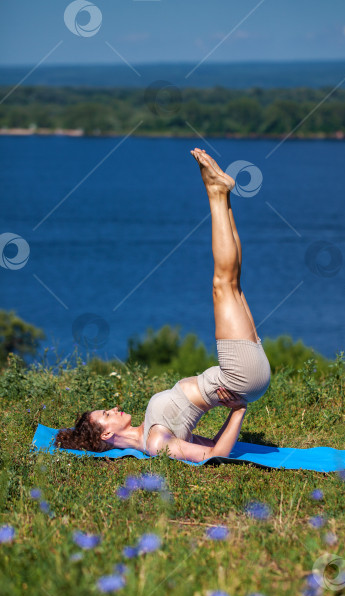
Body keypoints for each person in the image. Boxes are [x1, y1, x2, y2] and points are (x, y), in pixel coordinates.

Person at [55, 148, 270, 462]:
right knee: (224, 283)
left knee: (231, 283)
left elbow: (208, 442)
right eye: (106, 413)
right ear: (106, 434)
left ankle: (221, 195)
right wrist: (238, 411)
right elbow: (215, 455)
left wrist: (237, 408)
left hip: (241, 378)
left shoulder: (149, 431)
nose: (113, 408)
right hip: (238, 378)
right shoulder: (155, 443)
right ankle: (216, 193)